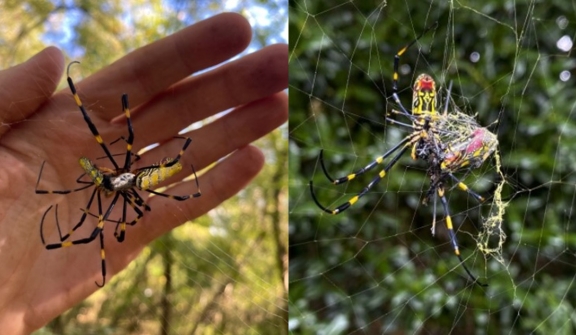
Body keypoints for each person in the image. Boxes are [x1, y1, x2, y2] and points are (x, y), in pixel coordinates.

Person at [0, 12, 287, 333]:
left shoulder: (119, 182)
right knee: (105, 215)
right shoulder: (114, 181)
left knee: (128, 201)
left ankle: (131, 124)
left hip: (138, 177)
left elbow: (138, 204)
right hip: (134, 178)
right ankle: (102, 105)